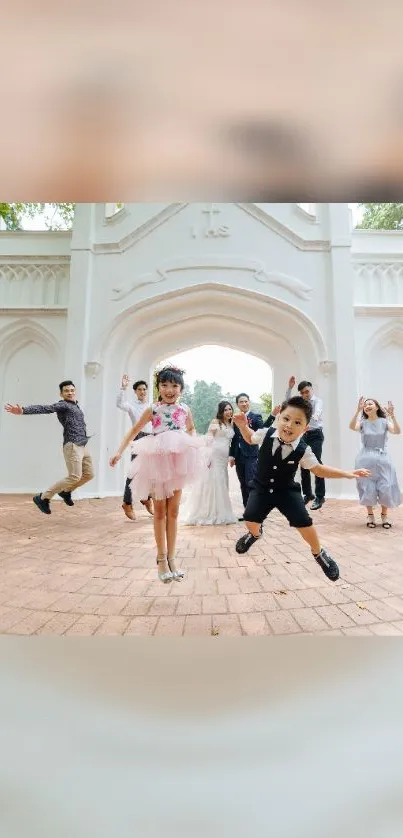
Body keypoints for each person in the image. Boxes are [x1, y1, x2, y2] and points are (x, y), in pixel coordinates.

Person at [232, 396, 371, 582]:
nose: (289, 425)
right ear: (279, 417)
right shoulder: (267, 433)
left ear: (305, 429)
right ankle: (255, 534)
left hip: (287, 492)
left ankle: (319, 553)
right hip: (261, 488)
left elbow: (319, 470)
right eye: (286, 419)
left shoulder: (304, 450)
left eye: (297, 422)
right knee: (250, 519)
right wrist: (242, 426)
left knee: (304, 523)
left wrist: (346, 473)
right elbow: (250, 437)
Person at [110, 365, 203, 583]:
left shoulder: (185, 409)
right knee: (160, 511)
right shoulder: (153, 409)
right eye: (164, 385)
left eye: (174, 385)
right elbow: (134, 431)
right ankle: (161, 559)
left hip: (179, 462)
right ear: (158, 387)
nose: (169, 389)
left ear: (181, 388)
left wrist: (194, 447)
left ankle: (172, 559)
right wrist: (118, 452)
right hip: (158, 460)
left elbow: (190, 429)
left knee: (174, 513)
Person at [4, 380, 94, 515]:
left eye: (72, 390)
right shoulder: (62, 405)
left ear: (75, 391)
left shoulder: (75, 406)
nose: (70, 392)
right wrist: (23, 410)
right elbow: (46, 408)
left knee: (89, 474)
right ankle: (43, 497)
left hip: (83, 445)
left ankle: (66, 491)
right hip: (73, 445)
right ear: (61, 393)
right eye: (66, 391)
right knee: (75, 476)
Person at [180, 400, 238, 526]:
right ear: (221, 411)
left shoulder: (231, 423)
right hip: (214, 456)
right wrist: (207, 457)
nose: (228, 412)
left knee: (222, 482)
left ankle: (220, 510)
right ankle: (209, 512)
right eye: (225, 410)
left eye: (230, 409)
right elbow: (209, 439)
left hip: (223, 459)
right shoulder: (215, 422)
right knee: (213, 481)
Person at [349, 397, 401, 528]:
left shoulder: (384, 422)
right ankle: (370, 516)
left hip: (383, 459)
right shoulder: (363, 422)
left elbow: (397, 431)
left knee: (386, 486)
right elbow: (351, 427)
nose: (367, 406)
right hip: (365, 459)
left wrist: (393, 416)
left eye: (370, 404)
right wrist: (357, 411)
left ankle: (384, 517)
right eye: (365, 405)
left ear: (377, 407)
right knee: (367, 487)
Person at [116, 374, 153, 521]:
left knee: (152, 472)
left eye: (144, 389)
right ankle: (127, 503)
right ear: (135, 391)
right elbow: (119, 404)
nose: (142, 391)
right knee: (134, 472)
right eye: (139, 389)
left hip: (152, 438)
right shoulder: (132, 405)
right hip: (138, 438)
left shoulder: (152, 405)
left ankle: (146, 498)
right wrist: (122, 388)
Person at [285, 376, 325, 510]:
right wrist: (290, 388)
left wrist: (312, 418)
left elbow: (317, 413)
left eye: (306, 391)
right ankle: (308, 494)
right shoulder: (301, 402)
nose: (305, 395)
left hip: (315, 434)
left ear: (311, 390)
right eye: (302, 393)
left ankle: (320, 496)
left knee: (316, 462)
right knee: (303, 462)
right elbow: (288, 403)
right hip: (303, 435)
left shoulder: (318, 401)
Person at [229, 393, 263, 519]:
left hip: (252, 455)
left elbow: (260, 433)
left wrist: (246, 425)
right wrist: (232, 456)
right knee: (243, 484)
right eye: (241, 402)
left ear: (249, 402)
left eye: (245, 401)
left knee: (251, 482)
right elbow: (234, 439)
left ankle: (257, 513)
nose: (244, 404)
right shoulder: (235, 418)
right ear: (237, 404)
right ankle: (247, 512)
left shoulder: (256, 417)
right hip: (239, 456)